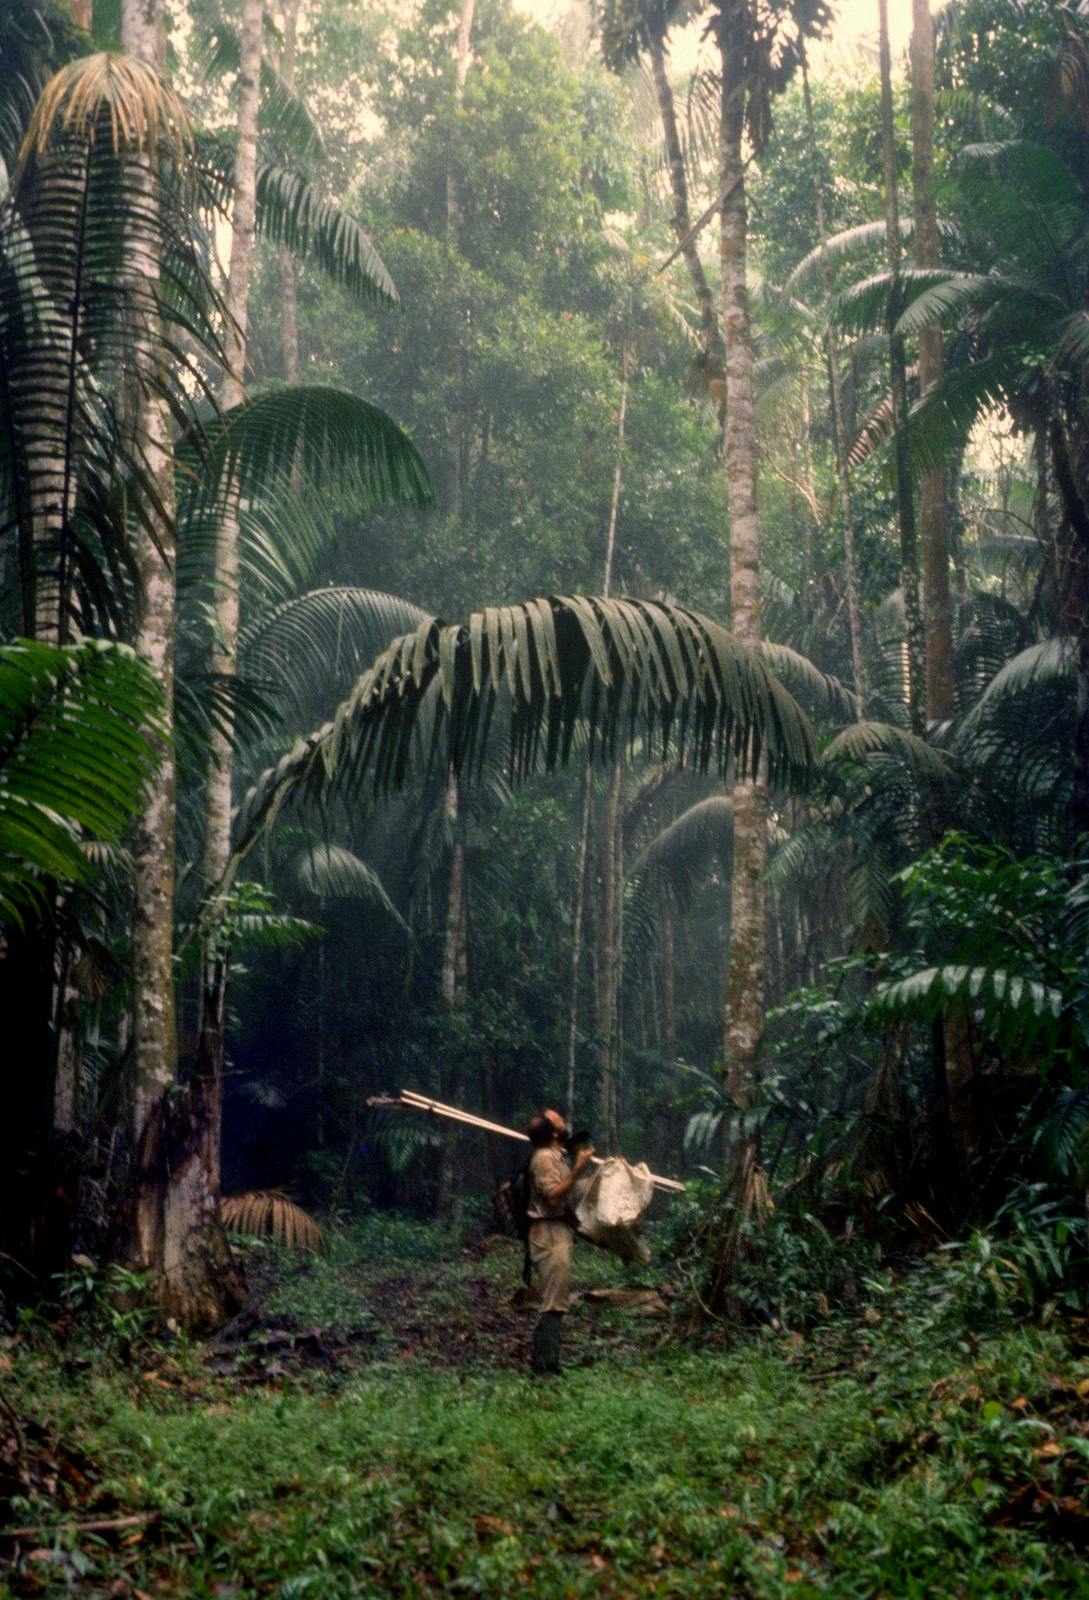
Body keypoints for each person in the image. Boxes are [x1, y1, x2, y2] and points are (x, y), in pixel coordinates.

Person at [525, 1107, 594, 1375]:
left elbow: (570, 1192)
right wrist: (577, 1169)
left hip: (559, 1230)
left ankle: (549, 1364)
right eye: (559, 1120)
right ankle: (543, 1368)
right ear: (554, 1132)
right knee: (553, 1301)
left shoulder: (556, 1155)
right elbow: (553, 1196)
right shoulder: (543, 1158)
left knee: (558, 1299)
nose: (564, 1122)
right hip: (548, 1232)